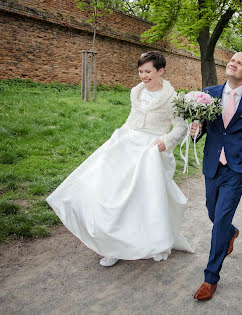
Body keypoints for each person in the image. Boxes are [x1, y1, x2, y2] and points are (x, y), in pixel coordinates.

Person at [46, 51, 194, 267]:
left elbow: (180, 127)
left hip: (151, 150)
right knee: (111, 194)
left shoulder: (173, 98)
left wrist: (166, 141)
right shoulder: (136, 92)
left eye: (148, 72)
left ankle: (153, 241)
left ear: (161, 70)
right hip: (126, 144)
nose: (143, 76)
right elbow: (132, 119)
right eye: (141, 71)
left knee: (143, 199)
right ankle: (111, 245)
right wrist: (119, 136)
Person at [189, 52, 242, 301]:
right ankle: (232, 232)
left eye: (239, 63)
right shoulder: (208, 93)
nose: (232, 63)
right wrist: (195, 131)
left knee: (220, 221)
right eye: (231, 60)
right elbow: (201, 128)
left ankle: (210, 278)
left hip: (237, 170)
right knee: (213, 213)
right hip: (213, 165)